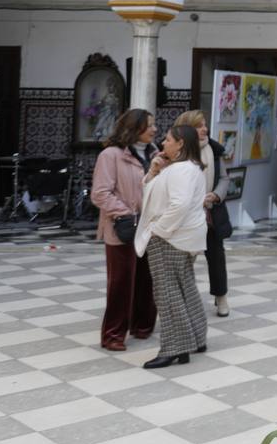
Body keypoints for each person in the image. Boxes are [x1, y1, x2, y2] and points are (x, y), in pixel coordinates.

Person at [135, 123, 208, 369]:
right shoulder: (184, 168)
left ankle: (175, 348)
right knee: (184, 287)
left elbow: (179, 204)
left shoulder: (181, 170)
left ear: (181, 144)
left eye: (168, 140)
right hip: (182, 236)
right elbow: (152, 193)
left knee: (166, 294)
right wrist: (154, 171)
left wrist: (159, 231)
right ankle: (194, 340)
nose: (163, 143)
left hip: (171, 237)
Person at [91, 109, 158, 352]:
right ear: (134, 128)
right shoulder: (111, 155)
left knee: (146, 278)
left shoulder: (155, 153)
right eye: (149, 125)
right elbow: (100, 193)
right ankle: (113, 335)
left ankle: (142, 326)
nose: (154, 129)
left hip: (149, 227)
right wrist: (126, 214)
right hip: (123, 226)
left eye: (154, 125)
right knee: (120, 282)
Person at [173, 110, 231, 318]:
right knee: (184, 260)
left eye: (205, 124)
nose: (204, 129)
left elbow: (225, 178)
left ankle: (221, 296)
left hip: (210, 215)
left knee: (216, 258)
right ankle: (183, 300)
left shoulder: (214, 150)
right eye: (199, 126)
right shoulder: (176, 151)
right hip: (185, 217)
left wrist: (215, 195)